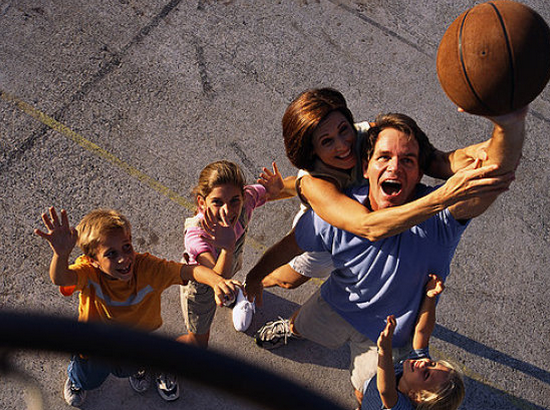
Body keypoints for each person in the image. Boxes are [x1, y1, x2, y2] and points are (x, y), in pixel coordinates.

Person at [245, 107, 526, 403]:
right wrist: (254, 276)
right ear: (366, 167)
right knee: (302, 323)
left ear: (419, 174)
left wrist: (509, 122)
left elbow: (495, 169)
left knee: (366, 390)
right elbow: (289, 246)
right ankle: (291, 330)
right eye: (384, 157)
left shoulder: (442, 219)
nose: (394, 167)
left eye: (407, 160)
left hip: (388, 339)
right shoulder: (340, 213)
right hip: (337, 304)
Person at [259, 88, 493, 292]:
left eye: (344, 129)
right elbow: (367, 226)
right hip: (333, 232)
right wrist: (443, 197)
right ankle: (253, 287)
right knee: (290, 281)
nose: (343, 145)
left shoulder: (370, 136)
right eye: (327, 141)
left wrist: (490, 147)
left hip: (373, 227)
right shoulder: (313, 184)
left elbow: (437, 160)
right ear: (312, 151)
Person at [34, 207, 240, 406]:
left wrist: (215, 281)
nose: (123, 258)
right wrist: (60, 255)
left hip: (134, 341)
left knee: (128, 368)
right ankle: (77, 381)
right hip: (95, 344)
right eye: (111, 254)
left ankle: (137, 368)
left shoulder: (148, 268)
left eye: (126, 247)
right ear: (93, 260)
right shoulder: (88, 273)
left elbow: (188, 271)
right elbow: (61, 278)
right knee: (89, 379)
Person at [178, 160, 288, 349]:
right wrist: (227, 248)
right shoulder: (196, 234)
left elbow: (267, 192)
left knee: (230, 281)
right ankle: (159, 359)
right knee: (198, 342)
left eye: (234, 201)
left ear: (243, 196)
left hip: (231, 263)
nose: (227, 211)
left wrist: (276, 189)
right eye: (217, 202)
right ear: (202, 202)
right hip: (202, 288)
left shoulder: (248, 198)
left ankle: (233, 295)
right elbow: (218, 279)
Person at [361, 274, 465, 410]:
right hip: (371, 390)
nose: (425, 363)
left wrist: (385, 350)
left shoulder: (403, 407)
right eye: (433, 364)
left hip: (374, 395)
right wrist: (430, 297)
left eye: (426, 374)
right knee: (362, 393)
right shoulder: (417, 367)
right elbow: (422, 333)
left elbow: (385, 391)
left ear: (416, 396)